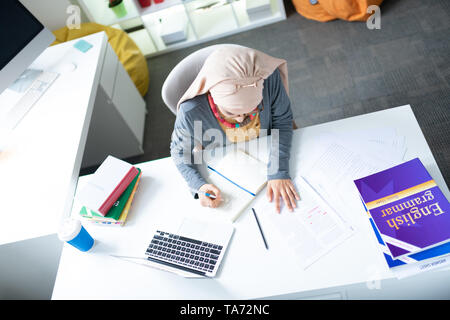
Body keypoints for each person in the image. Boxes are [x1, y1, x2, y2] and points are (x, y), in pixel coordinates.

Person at [170, 45, 299, 213]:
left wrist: (278, 170)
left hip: (268, 148)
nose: (240, 119)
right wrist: (199, 185)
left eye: (252, 110)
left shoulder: (269, 80)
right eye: (231, 113)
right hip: (225, 165)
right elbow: (179, 152)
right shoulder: (190, 112)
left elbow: (283, 122)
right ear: (212, 97)